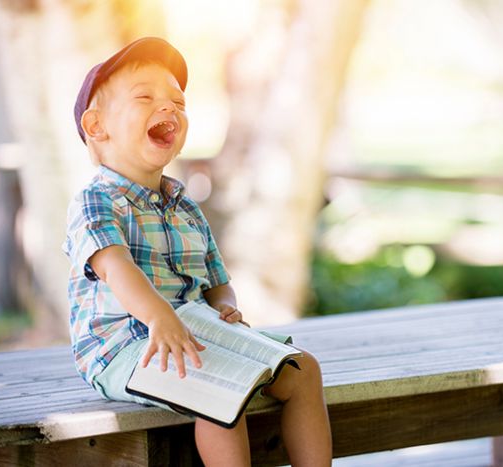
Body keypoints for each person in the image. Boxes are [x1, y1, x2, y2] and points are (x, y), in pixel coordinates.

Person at [63, 37, 332, 466]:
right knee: (221, 390)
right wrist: (159, 316)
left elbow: (217, 280)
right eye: (146, 97)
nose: (169, 107)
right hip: (124, 347)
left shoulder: (184, 204)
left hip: (194, 329)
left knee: (303, 371)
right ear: (97, 127)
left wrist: (225, 307)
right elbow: (116, 265)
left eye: (178, 101)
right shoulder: (97, 201)